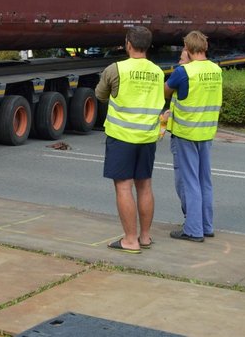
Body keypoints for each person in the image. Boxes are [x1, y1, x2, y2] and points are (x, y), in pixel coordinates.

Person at [95, 25, 165, 254]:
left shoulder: (116, 69)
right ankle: (145, 237)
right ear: (148, 46)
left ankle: (130, 240)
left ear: (128, 44)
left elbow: (100, 94)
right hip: (147, 136)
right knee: (144, 185)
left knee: (123, 187)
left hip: (122, 136)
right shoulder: (157, 71)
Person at [163, 31, 222, 242]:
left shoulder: (183, 72)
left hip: (186, 132)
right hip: (207, 132)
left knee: (189, 182)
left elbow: (165, 92)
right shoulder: (216, 70)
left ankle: (193, 229)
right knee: (204, 180)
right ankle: (206, 225)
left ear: (187, 49)